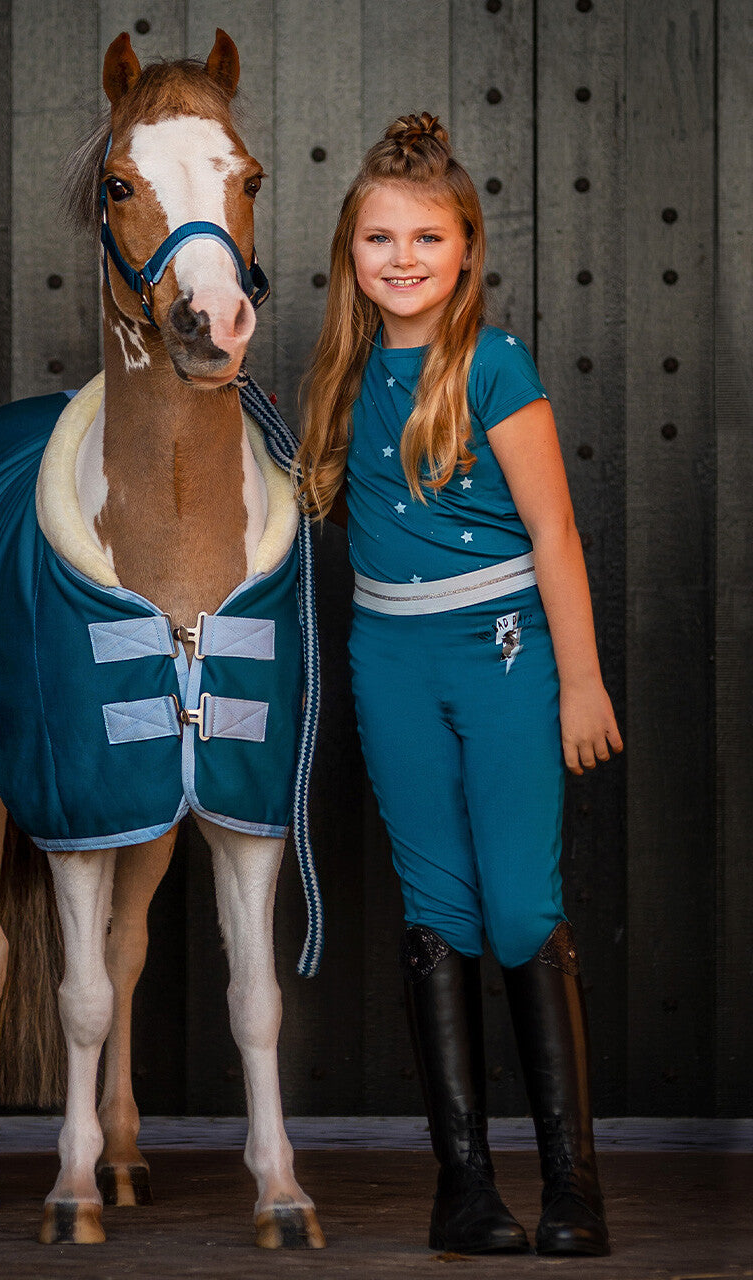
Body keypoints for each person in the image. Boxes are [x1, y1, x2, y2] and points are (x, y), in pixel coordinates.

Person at [296, 114, 622, 1257]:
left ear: (467, 248)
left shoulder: (493, 364)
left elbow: (556, 532)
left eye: (426, 237)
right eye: (379, 238)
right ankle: (465, 1187)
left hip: (504, 651)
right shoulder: (340, 375)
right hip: (389, 661)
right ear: (350, 254)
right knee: (437, 909)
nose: (403, 258)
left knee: (519, 904)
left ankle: (573, 1185)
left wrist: (580, 681)